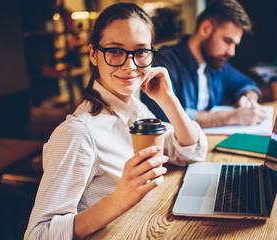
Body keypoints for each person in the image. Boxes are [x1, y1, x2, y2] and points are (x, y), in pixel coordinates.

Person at [24, 3, 207, 240]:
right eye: (115, 51)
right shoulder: (78, 133)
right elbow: (38, 234)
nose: (129, 65)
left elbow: (191, 151)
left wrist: (168, 99)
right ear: (93, 54)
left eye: (140, 52)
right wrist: (120, 198)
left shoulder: (135, 109)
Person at [141, 0, 267, 128]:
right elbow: (162, 115)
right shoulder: (164, 62)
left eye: (235, 44)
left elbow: (246, 84)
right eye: (228, 41)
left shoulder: (217, 63)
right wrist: (230, 117)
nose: (232, 52)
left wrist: (247, 98)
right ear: (206, 28)